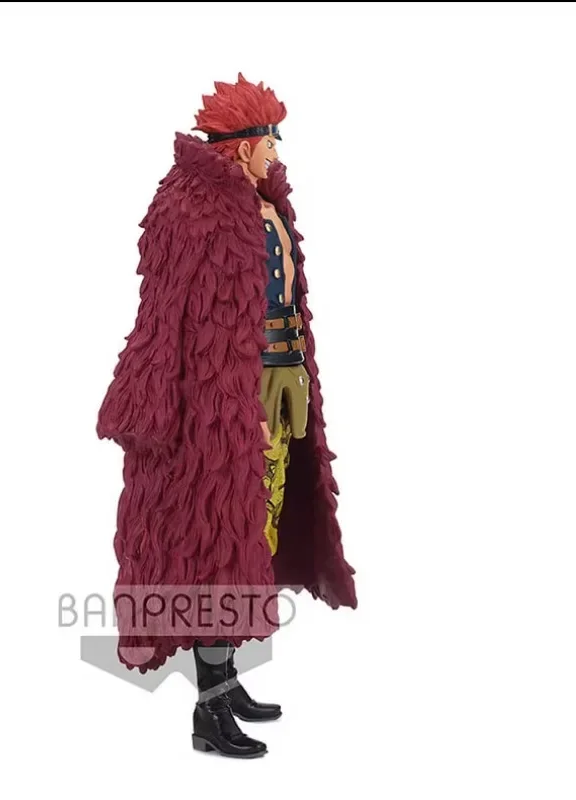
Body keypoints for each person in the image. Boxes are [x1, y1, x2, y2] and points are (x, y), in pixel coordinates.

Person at [97, 74, 357, 758]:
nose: (277, 152)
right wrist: (220, 403)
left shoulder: (262, 201)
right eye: (271, 140)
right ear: (244, 146)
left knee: (256, 535)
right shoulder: (193, 210)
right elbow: (174, 320)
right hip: (225, 400)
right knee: (219, 539)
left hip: (280, 383)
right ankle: (209, 711)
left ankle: (227, 680)